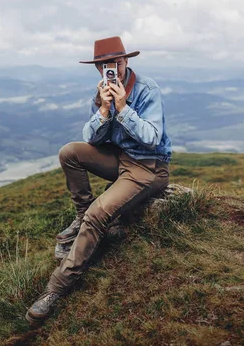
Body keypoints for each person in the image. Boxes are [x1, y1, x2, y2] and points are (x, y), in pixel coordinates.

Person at [26, 36, 172, 324]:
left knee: (99, 213)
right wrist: (105, 110)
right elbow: (90, 139)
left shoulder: (147, 89)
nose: (112, 70)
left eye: (116, 63)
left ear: (126, 61)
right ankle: (81, 216)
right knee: (69, 153)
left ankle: (56, 288)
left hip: (147, 165)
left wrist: (124, 108)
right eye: (106, 65)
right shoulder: (101, 93)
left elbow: (152, 138)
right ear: (98, 69)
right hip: (117, 158)